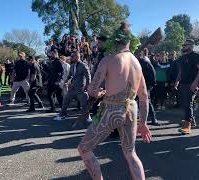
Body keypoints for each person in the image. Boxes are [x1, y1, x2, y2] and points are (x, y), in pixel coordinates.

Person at [77, 22, 151, 180]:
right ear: (129, 41)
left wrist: (100, 93)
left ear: (113, 41)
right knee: (131, 154)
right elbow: (144, 95)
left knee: (84, 149)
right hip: (132, 108)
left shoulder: (108, 60)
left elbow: (91, 90)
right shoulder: (137, 63)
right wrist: (143, 123)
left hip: (112, 109)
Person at [174, 39, 199, 134]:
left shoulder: (196, 56)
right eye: (183, 45)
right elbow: (181, 71)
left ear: (191, 46)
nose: (183, 47)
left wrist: (195, 83)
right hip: (183, 83)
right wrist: (177, 81)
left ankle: (188, 126)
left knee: (188, 103)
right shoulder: (182, 57)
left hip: (192, 83)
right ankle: (192, 121)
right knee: (185, 103)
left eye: (185, 45)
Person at [53, 51, 92, 122]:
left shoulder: (83, 65)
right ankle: (62, 115)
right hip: (73, 88)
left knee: (84, 104)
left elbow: (88, 76)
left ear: (77, 57)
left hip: (81, 88)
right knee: (65, 100)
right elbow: (70, 75)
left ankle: (87, 116)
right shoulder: (72, 66)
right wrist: (66, 82)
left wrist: (87, 86)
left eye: (72, 56)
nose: (71, 58)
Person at [138, 48, 160, 126]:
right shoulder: (132, 62)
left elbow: (152, 73)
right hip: (135, 86)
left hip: (145, 86)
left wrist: (150, 86)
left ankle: (154, 119)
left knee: (147, 102)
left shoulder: (145, 62)